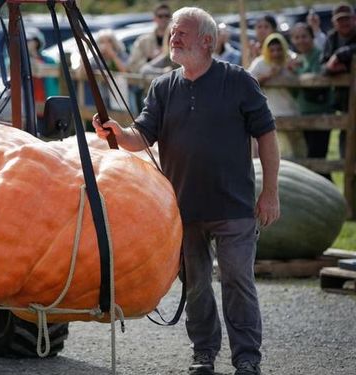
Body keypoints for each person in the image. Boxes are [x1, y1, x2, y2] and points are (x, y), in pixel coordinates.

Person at [92, 7, 280, 375]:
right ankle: (204, 354)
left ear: (207, 42)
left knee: (238, 282)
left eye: (183, 33)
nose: (173, 38)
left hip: (234, 207)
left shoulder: (239, 81)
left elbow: (267, 136)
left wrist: (270, 192)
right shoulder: (163, 87)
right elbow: (142, 136)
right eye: (172, 32)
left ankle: (247, 359)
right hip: (183, 208)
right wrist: (117, 132)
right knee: (195, 286)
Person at [248, 33, 305, 159]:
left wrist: (294, 70)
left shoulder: (290, 59)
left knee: (298, 152)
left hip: (292, 112)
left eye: (279, 49)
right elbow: (248, 81)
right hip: (271, 113)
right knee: (278, 153)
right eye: (272, 50)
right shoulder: (260, 63)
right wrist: (268, 75)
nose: (276, 53)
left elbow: (303, 69)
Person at [289, 22, 333, 179]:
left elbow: (317, 78)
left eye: (304, 36)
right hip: (304, 114)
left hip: (320, 113)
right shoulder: (299, 58)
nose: (301, 40)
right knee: (312, 160)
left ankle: (331, 197)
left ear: (312, 37)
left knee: (317, 159)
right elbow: (295, 91)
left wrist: (296, 72)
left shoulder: (319, 54)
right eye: (296, 37)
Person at [321, 3, 356, 158]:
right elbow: (324, 66)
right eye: (340, 20)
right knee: (346, 145)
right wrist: (333, 68)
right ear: (334, 22)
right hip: (343, 101)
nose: (344, 23)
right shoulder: (332, 37)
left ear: (354, 19)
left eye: (347, 19)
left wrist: (340, 55)